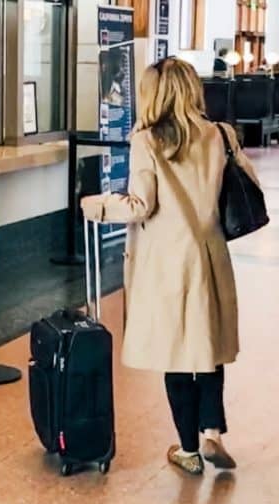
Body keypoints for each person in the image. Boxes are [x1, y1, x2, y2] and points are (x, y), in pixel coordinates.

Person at [80, 57, 259, 476]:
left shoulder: (146, 140)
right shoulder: (221, 134)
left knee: (175, 352)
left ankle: (188, 450)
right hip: (211, 254)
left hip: (166, 262)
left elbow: (141, 205)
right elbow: (247, 183)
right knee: (207, 347)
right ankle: (212, 431)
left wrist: (96, 205)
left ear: (154, 94)